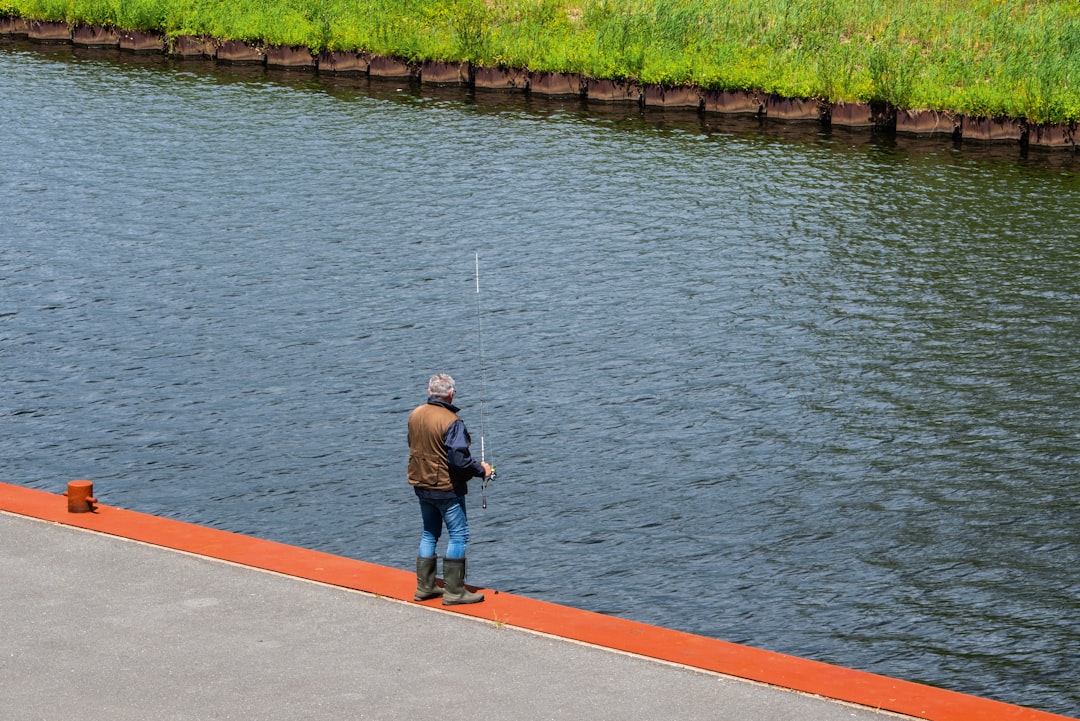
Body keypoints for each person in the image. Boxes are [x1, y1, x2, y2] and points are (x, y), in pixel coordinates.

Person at [408, 373, 492, 605]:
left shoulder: (415, 414)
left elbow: (413, 445)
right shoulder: (452, 422)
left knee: (429, 533)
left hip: (421, 484)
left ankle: (425, 587)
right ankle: (455, 591)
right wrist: (481, 470)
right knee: (458, 534)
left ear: (429, 392)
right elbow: (459, 460)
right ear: (451, 394)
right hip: (446, 488)